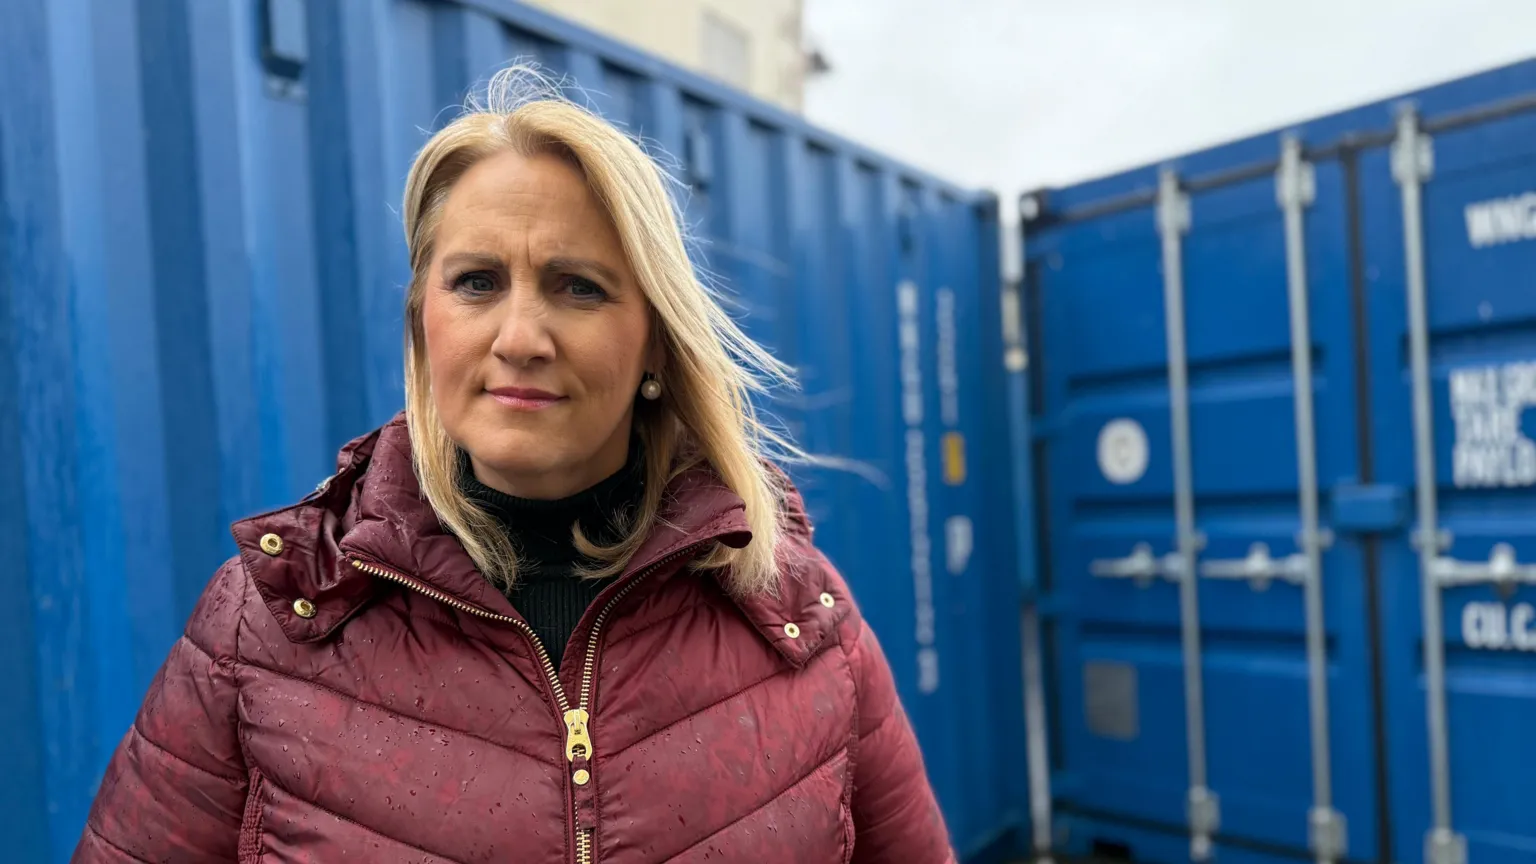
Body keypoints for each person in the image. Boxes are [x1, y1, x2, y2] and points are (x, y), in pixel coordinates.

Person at [73, 68, 953, 863]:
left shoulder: (800, 619)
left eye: (579, 286)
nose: (521, 339)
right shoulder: (263, 627)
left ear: (655, 341)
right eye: (477, 282)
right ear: (424, 322)